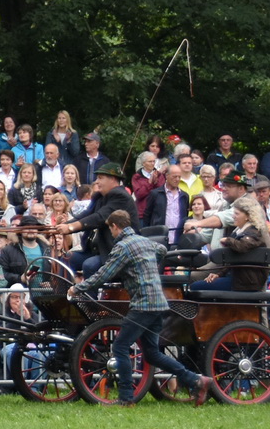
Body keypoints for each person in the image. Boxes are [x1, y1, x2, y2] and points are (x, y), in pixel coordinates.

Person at [70, 210, 212, 406]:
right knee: (152, 353)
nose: (111, 233)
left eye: (110, 229)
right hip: (158, 303)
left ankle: (126, 397)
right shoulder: (145, 242)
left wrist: (78, 288)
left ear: (115, 226)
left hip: (143, 304)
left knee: (120, 346)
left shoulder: (123, 247)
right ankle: (197, 380)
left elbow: (104, 273)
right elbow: (162, 250)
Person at [60, 163, 138, 274]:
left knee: (89, 265)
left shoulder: (121, 196)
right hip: (97, 250)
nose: (96, 181)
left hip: (115, 252)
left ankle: (88, 287)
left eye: (100, 178)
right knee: (68, 258)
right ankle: (60, 286)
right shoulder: (100, 197)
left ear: (113, 179)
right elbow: (86, 215)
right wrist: (62, 226)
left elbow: (99, 217)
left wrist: (70, 227)